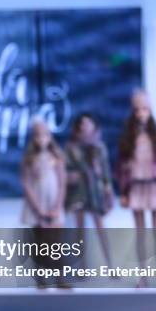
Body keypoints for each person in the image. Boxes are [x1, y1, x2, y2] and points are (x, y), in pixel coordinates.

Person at [117, 89, 156, 288]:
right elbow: (122, 168)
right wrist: (123, 193)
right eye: (138, 110)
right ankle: (143, 277)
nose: (142, 113)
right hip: (136, 187)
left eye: (145, 109)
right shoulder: (128, 137)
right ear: (133, 111)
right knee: (140, 234)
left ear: (150, 110)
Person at [21, 117, 69, 288]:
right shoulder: (29, 159)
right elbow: (26, 183)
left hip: (53, 202)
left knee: (56, 242)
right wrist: (37, 207)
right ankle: (41, 278)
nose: (42, 139)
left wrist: (57, 206)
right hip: (38, 205)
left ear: (50, 136)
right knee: (40, 243)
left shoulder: (56, 156)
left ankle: (59, 278)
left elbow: (62, 182)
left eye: (45, 135)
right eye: (38, 136)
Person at [64, 112, 114, 267]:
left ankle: (110, 265)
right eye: (82, 124)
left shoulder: (99, 147)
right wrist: (71, 176)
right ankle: (82, 265)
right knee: (80, 230)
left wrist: (108, 190)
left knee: (100, 228)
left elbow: (106, 172)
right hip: (78, 192)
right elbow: (65, 169)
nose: (85, 127)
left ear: (94, 126)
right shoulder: (71, 147)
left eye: (88, 123)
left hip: (95, 192)